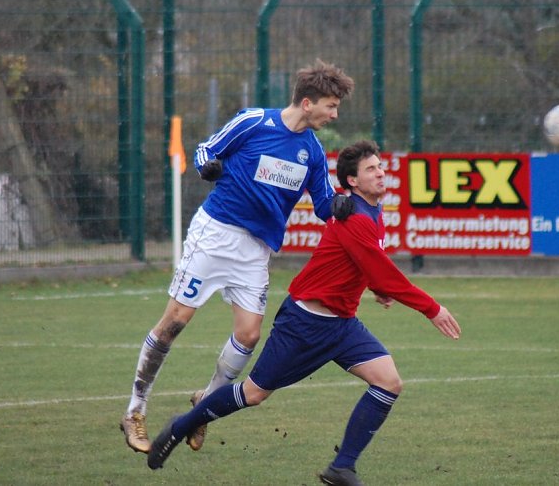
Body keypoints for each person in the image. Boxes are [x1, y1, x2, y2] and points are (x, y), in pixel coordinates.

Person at [145, 140, 462, 486]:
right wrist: (431, 309)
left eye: (380, 166)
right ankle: (181, 426)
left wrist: (379, 289)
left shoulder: (373, 211)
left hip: (341, 325)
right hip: (305, 323)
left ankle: (342, 467)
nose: (381, 173)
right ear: (352, 181)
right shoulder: (355, 216)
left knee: (388, 382)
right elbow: (383, 270)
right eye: (371, 169)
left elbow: (368, 266)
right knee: (253, 394)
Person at [120, 60, 356, 454]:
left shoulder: (312, 152)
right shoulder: (254, 122)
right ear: (308, 101)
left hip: (255, 251)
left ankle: (206, 402)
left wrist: (341, 207)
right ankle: (135, 410)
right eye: (331, 106)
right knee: (175, 321)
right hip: (215, 234)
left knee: (248, 335)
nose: (334, 114)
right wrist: (206, 167)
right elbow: (205, 149)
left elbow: (323, 204)